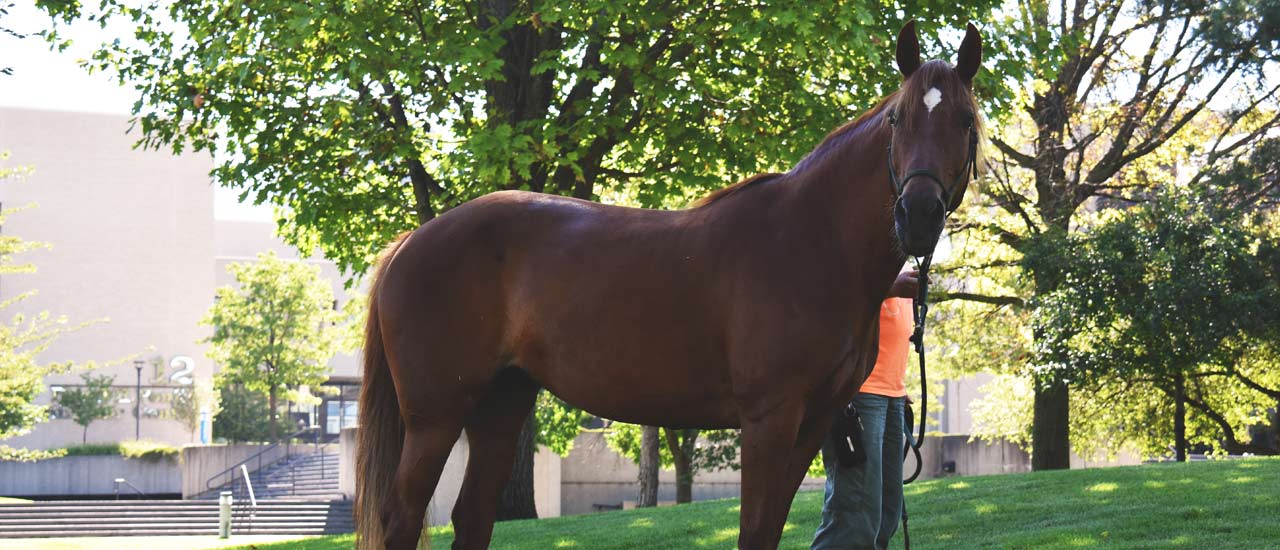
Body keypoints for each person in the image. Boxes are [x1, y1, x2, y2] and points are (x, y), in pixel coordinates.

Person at [812, 269, 918, 550]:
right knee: (855, 513)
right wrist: (890, 287)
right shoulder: (855, 250)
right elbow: (829, 296)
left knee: (887, 511)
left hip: (892, 394)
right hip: (858, 394)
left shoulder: (898, 258)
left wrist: (897, 385)